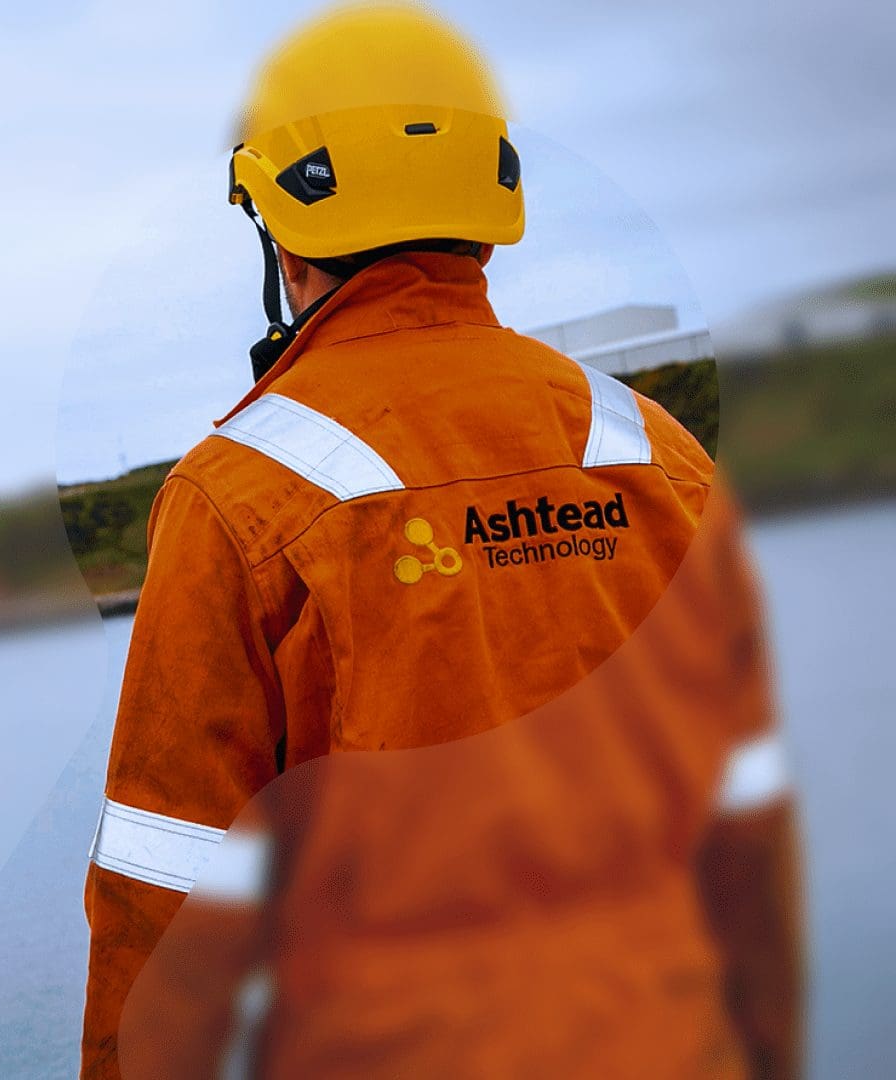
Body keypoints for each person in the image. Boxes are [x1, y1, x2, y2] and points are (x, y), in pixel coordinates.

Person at [80, 6, 803, 1077]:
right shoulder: (656, 452)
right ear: (488, 217)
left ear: (283, 238)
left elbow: (164, 883)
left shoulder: (236, 495)